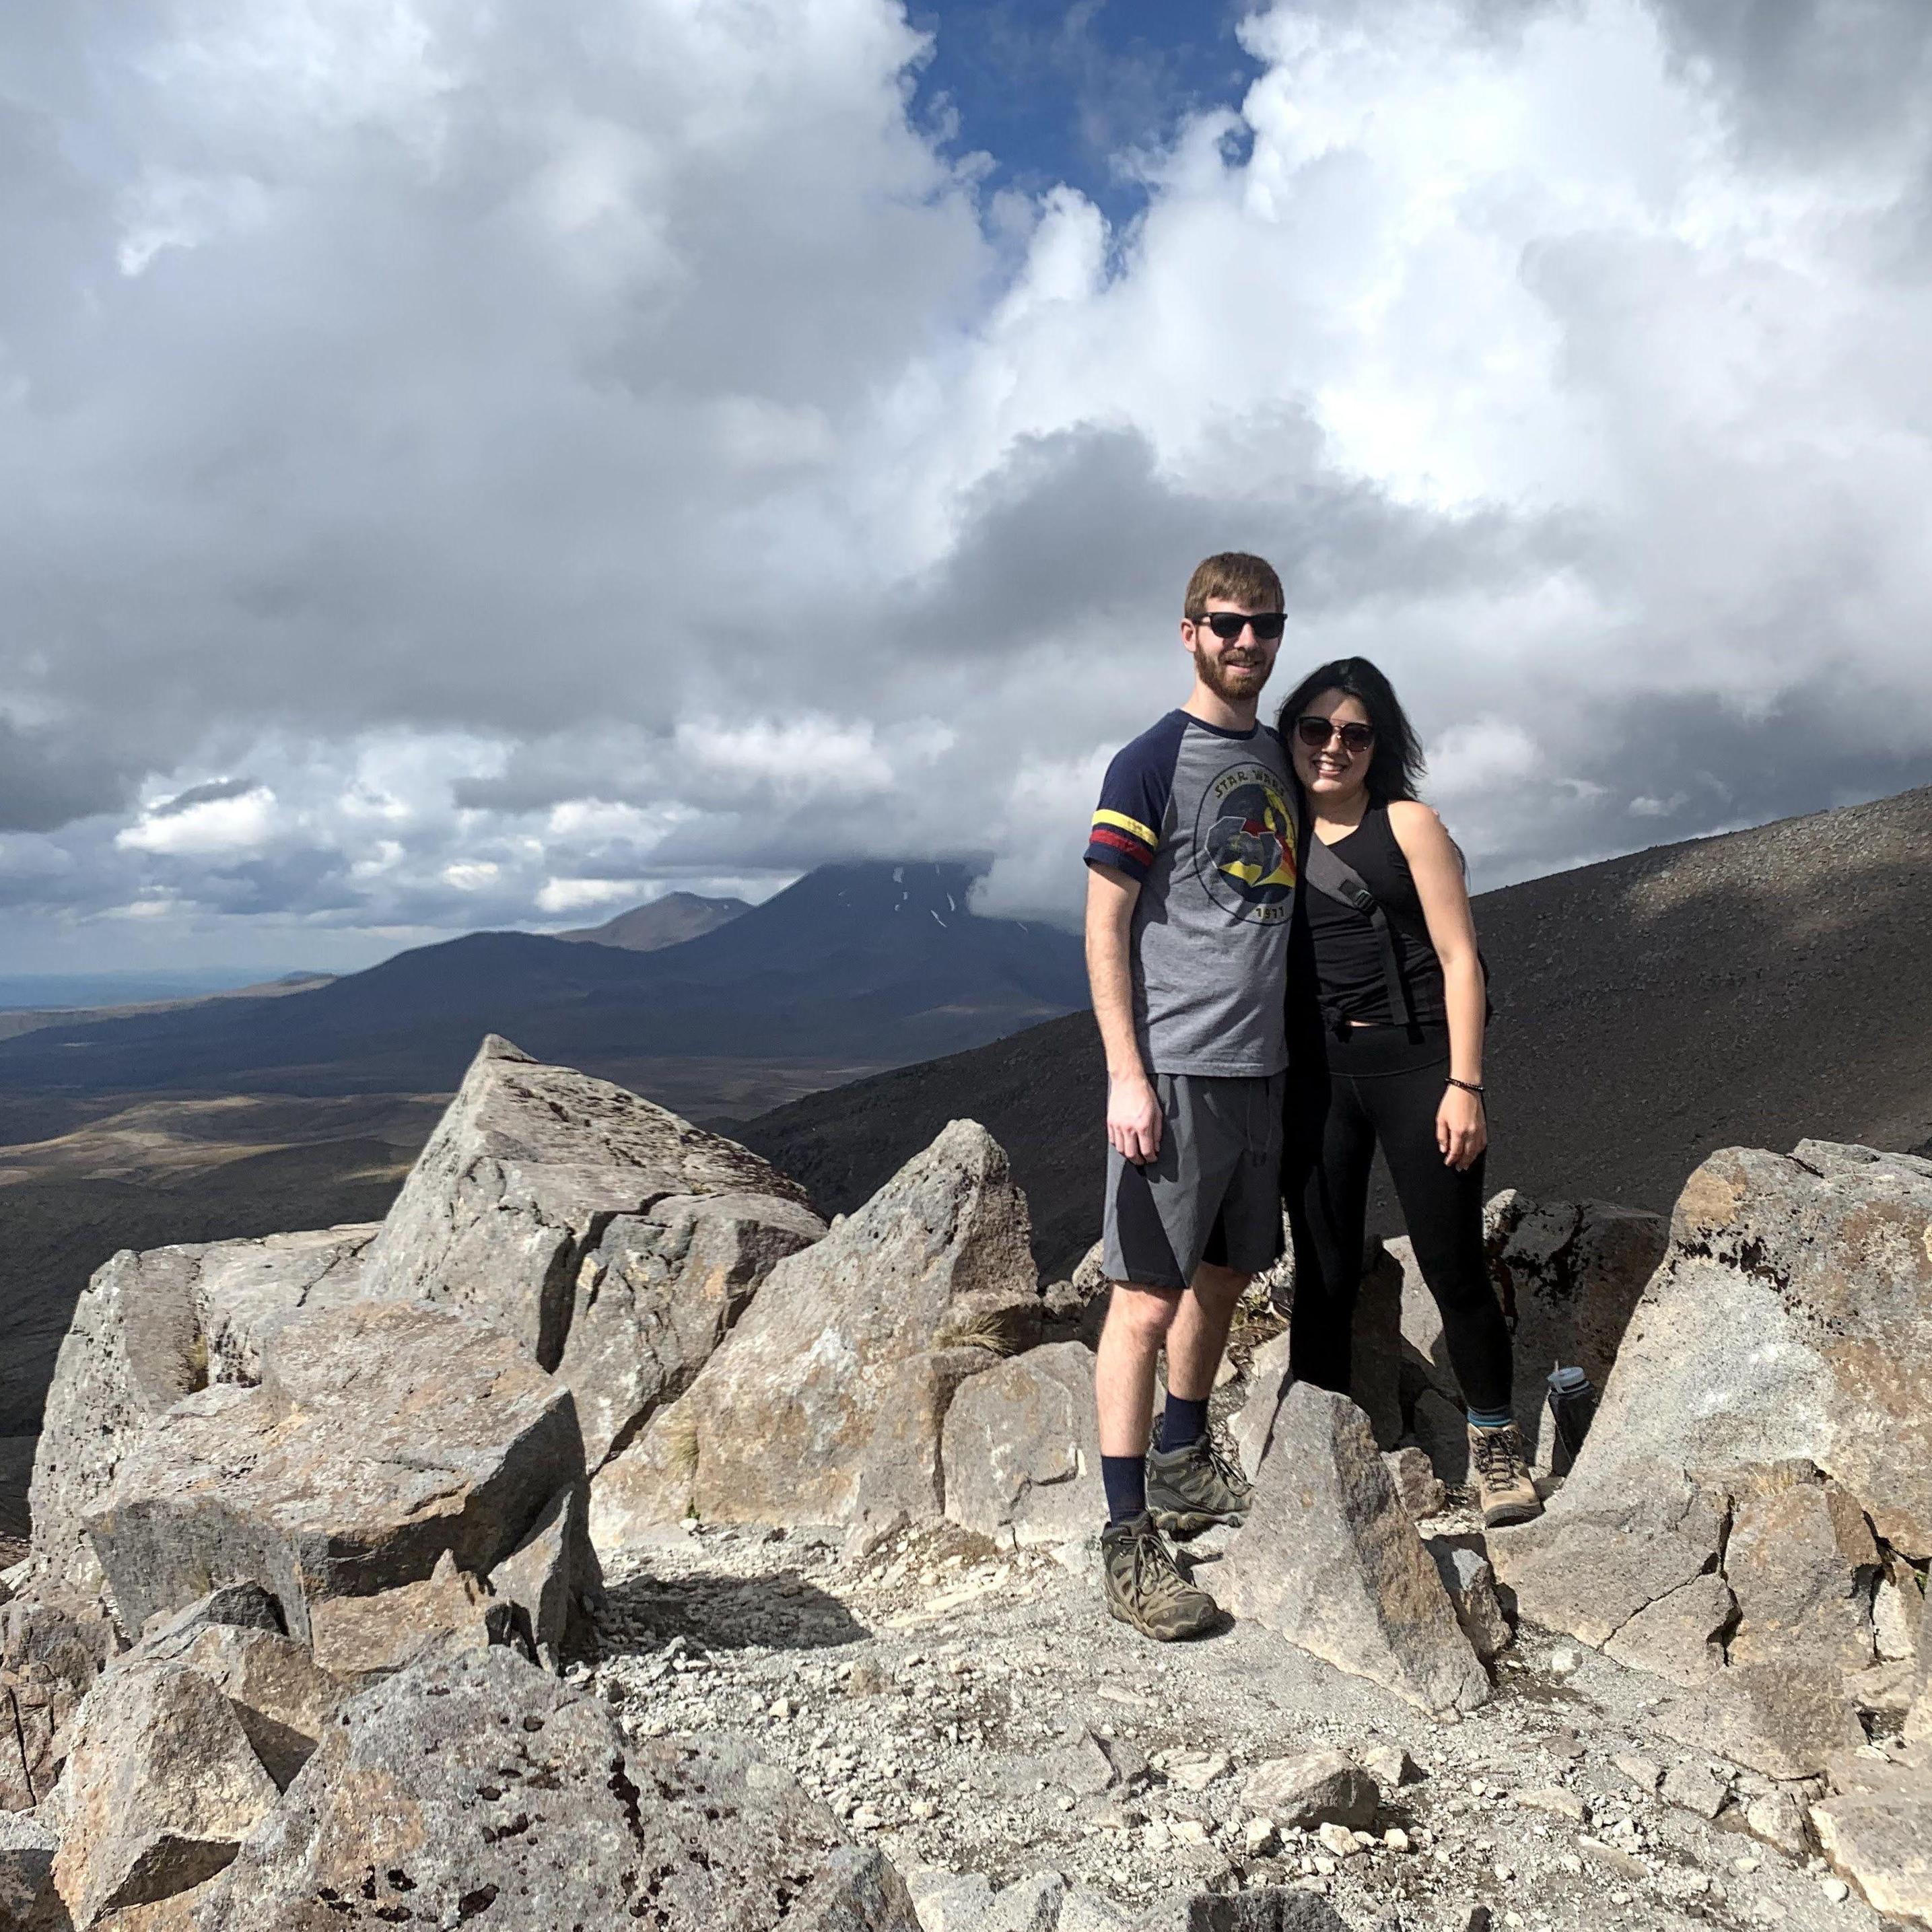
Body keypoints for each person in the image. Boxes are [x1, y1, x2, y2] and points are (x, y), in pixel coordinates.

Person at [1083, 552, 1300, 1640]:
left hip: (1261, 1071)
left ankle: (1181, 1457)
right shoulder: (1148, 762)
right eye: (1225, 624)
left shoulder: (1280, 755)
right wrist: (1127, 1072)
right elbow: (1103, 924)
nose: (1246, 643)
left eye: (1263, 624)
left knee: (1224, 1274)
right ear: (1187, 632)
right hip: (1171, 1069)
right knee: (1146, 1300)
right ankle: (1126, 1535)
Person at [1275, 657, 1542, 1529]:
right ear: (1290, 734)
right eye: (1315, 728)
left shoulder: (1408, 824)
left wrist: (1465, 1084)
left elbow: (1461, 958)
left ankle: (1493, 1443)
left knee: (1452, 1264)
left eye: (1353, 731)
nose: (1333, 746)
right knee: (1319, 1267)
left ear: (1377, 743)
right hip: (1316, 1075)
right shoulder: (1269, 836)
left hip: (1419, 1064)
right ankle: (1314, 1446)